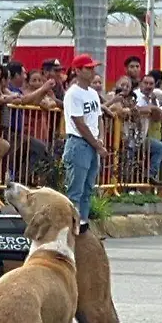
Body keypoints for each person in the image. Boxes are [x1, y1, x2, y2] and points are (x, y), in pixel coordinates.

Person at [63, 54, 109, 234]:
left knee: (88, 188)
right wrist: (97, 145)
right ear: (77, 71)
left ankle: (83, 221)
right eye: (88, 68)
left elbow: (99, 118)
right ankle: (71, 224)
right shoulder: (73, 93)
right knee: (76, 188)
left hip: (92, 144)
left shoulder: (92, 94)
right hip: (79, 143)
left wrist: (101, 140)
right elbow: (79, 123)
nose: (92, 71)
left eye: (92, 68)